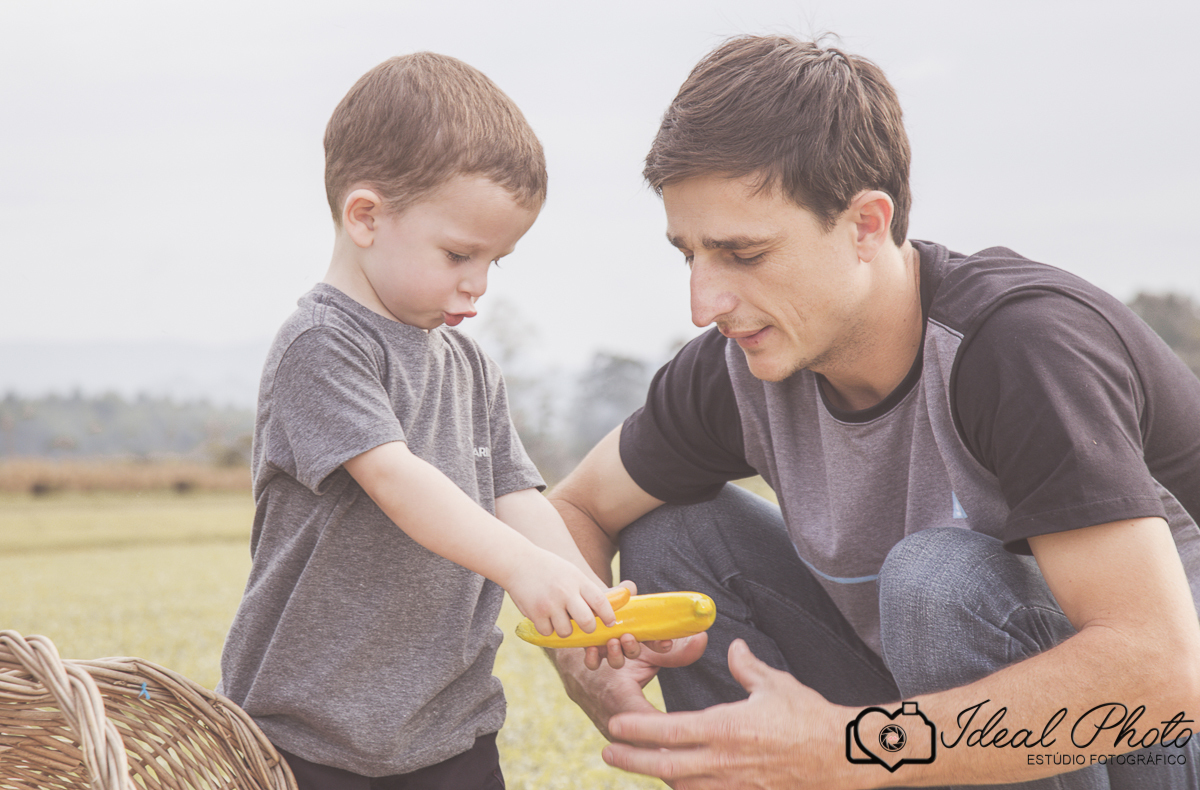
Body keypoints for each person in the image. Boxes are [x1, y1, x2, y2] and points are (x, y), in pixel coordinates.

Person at [547, 34, 1200, 789]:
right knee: (674, 531)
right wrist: (587, 667)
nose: (704, 303)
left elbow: (1162, 674)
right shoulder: (740, 365)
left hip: (1162, 729)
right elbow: (575, 510)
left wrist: (851, 748)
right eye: (688, 253)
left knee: (938, 580)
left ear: (865, 224)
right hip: (940, 735)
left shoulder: (1021, 347)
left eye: (744, 254)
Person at [216, 53, 619, 790]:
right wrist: (523, 568)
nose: (479, 283)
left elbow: (515, 496)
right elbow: (397, 480)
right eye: (459, 254)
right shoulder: (322, 345)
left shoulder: (469, 365)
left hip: (450, 726)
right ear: (366, 217)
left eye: (497, 260)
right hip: (307, 736)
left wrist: (582, 590)